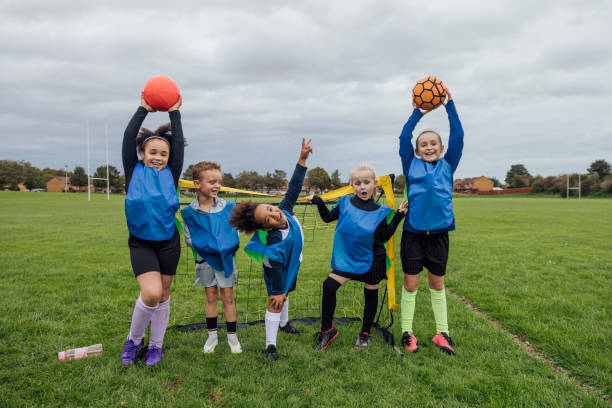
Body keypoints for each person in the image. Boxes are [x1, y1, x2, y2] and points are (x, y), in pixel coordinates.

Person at [228, 138, 312, 361]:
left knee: (288, 292)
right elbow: (277, 277)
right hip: (278, 269)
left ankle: (284, 324)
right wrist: (277, 291)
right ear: (266, 227)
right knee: (277, 300)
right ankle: (270, 346)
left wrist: (302, 159)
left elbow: (294, 187)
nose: (275, 214)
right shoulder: (274, 244)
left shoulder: (285, 208)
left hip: (292, 261)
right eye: (269, 218)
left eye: (271, 209)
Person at [307, 165, 408, 350]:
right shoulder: (345, 203)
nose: (363, 187)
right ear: (352, 185)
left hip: (373, 259)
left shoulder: (380, 211)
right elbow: (328, 218)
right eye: (358, 183)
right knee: (329, 286)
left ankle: (365, 333)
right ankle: (327, 331)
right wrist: (318, 201)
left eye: (366, 182)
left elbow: (384, 236)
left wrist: (399, 216)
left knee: (370, 294)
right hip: (348, 258)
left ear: (374, 184)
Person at [398, 85, 463, 355]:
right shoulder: (410, 164)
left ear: (442, 147)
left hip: (438, 236)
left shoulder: (448, 164)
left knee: (437, 284)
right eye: (423, 144)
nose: (428, 147)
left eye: (432, 143)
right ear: (416, 150)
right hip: (413, 234)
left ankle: (442, 333)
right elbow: (403, 137)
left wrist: (449, 105)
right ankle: (407, 332)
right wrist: (416, 114)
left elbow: (459, 135)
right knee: (410, 284)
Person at [120, 94, 184, 366]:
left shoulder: (171, 173)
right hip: (141, 243)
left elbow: (178, 143)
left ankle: (156, 346)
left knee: (164, 296)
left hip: (168, 242)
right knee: (151, 294)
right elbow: (128, 137)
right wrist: (143, 109)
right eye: (153, 152)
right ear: (142, 154)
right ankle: (133, 341)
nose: (158, 157)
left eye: (163, 153)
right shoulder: (133, 172)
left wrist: (175, 114)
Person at [181, 161, 242, 354]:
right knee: (210, 297)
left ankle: (232, 337)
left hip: (225, 261)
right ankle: (212, 336)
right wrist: (209, 245)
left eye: (219, 182)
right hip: (204, 261)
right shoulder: (190, 213)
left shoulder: (229, 208)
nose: (217, 186)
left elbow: (235, 234)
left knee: (228, 297)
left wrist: (222, 245)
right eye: (212, 181)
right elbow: (189, 239)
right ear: (197, 184)